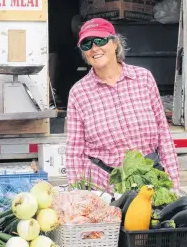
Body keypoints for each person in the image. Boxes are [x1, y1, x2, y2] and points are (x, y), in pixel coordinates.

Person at [65, 18, 180, 192]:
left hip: (150, 181)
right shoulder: (79, 93)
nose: (94, 48)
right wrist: (77, 195)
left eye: (100, 40)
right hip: (105, 187)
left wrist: (173, 184)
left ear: (115, 43)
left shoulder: (143, 78)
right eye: (87, 44)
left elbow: (163, 135)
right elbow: (75, 152)